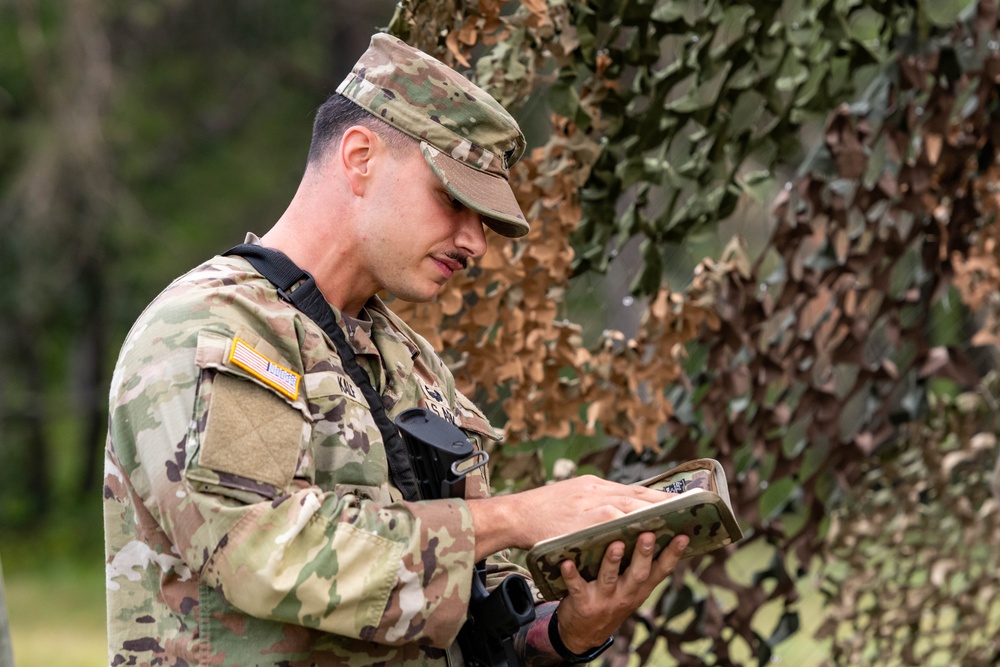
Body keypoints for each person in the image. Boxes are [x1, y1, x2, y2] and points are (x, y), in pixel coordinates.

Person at [104, 33, 690, 666]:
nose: (476, 244)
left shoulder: (410, 364)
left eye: (486, 221)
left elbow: (465, 616)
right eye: (453, 201)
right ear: (360, 158)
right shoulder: (212, 328)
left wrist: (569, 630)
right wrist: (519, 517)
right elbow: (262, 554)